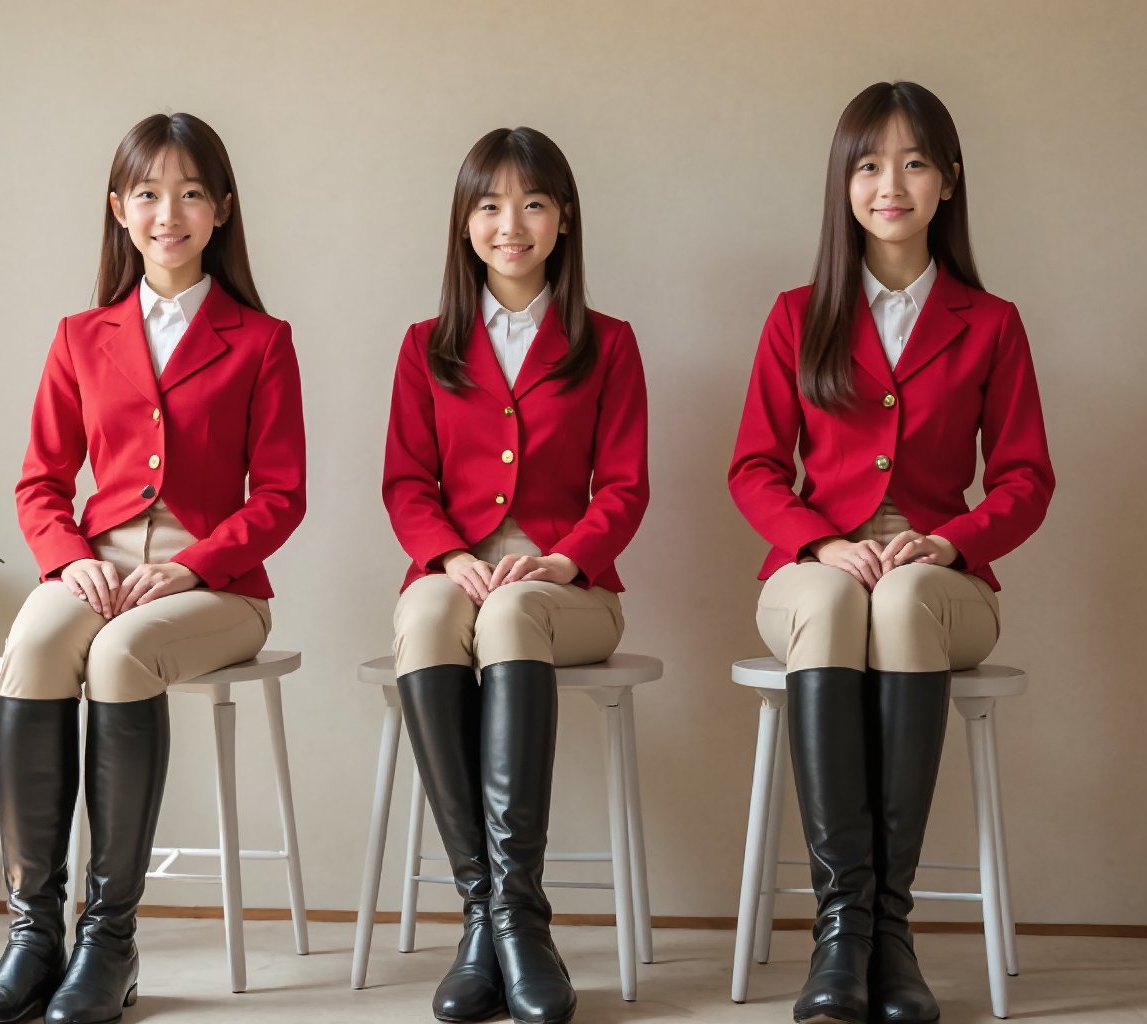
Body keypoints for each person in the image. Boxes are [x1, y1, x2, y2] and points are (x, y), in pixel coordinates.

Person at [0, 112, 305, 1024]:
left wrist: (193, 567)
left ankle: (110, 942)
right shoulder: (81, 336)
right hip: (95, 569)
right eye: (148, 193)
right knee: (34, 651)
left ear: (222, 210)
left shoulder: (262, 341)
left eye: (192, 193)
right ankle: (36, 936)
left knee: (119, 658)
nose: (169, 212)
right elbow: (40, 483)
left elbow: (280, 496)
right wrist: (70, 563)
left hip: (218, 588)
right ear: (119, 209)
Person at [728, 81, 1054, 1024]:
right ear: (843, 185)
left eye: (914, 163)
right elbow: (753, 468)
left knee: (905, 599)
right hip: (811, 573)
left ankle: (889, 933)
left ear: (948, 182)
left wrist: (948, 543)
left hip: (943, 585)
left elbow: (1027, 478)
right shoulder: (798, 315)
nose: (890, 184)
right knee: (833, 602)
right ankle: (844, 933)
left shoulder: (991, 323)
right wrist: (820, 542)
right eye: (869, 165)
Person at [382, 126, 648, 1024]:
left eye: (533, 204)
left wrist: (565, 559)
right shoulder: (426, 346)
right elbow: (407, 484)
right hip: (453, 570)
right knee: (424, 619)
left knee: (508, 619)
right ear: (464, 224)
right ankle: (485, 914)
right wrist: (455, 558)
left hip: (571, 591)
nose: (511, 225)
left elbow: (623, 486)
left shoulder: (607, 344)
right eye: (489, 206)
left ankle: (521, 917)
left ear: (563, 219)